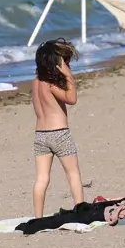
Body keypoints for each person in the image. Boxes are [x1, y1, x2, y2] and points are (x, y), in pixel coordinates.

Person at [31, 39, 85, 218]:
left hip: (40, 135)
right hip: (59, 134)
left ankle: (38, 217)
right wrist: (68, 76)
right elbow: (72, 99)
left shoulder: (36, 82)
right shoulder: (51, 84)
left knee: (41, 178)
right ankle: (80, 210)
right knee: (73, 173)